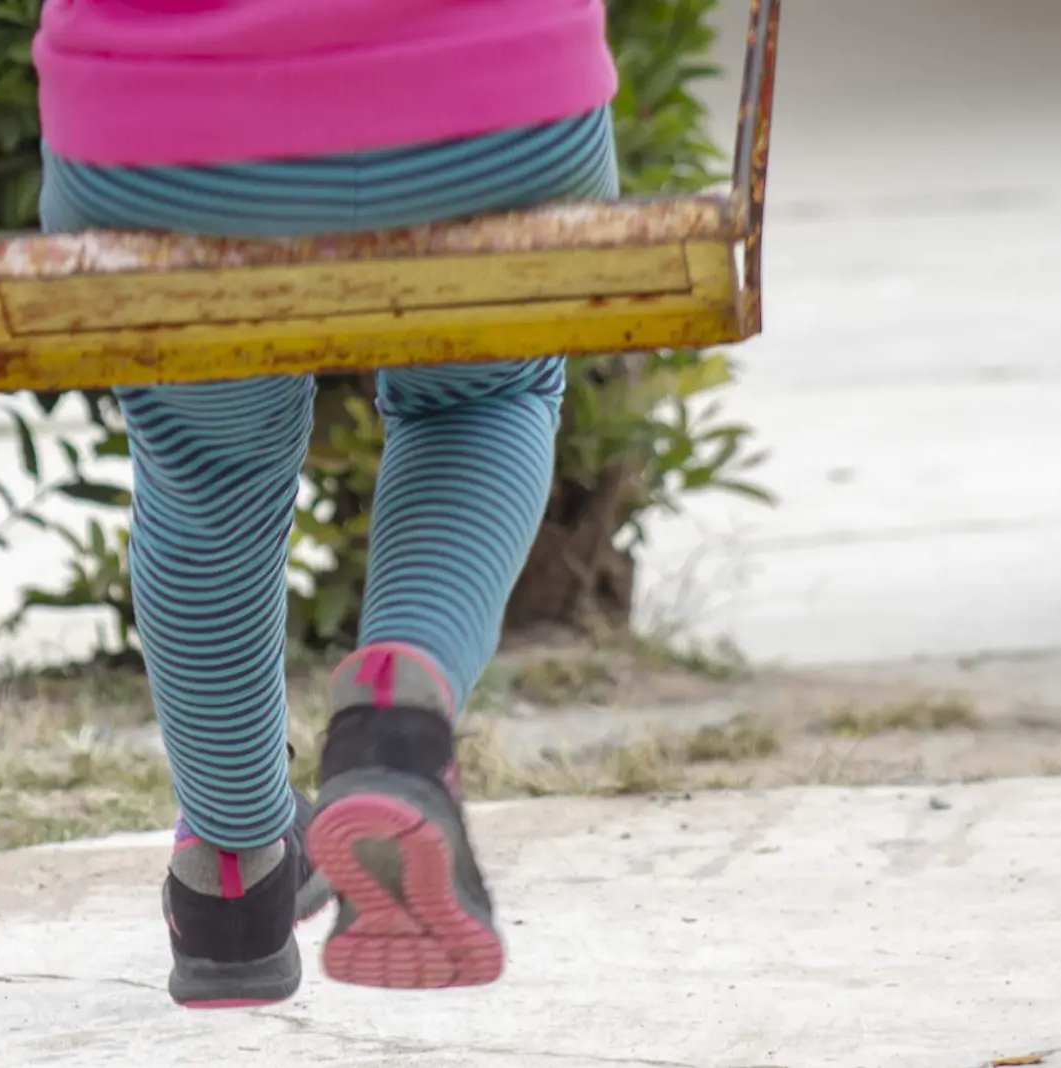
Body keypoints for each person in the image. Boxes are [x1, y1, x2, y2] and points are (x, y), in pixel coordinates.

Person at [32, 0, 620, 1008]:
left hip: (168, 136)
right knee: (485, 394)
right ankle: (395, 723)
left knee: (205, 470)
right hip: (490, 116)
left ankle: (231, 874)